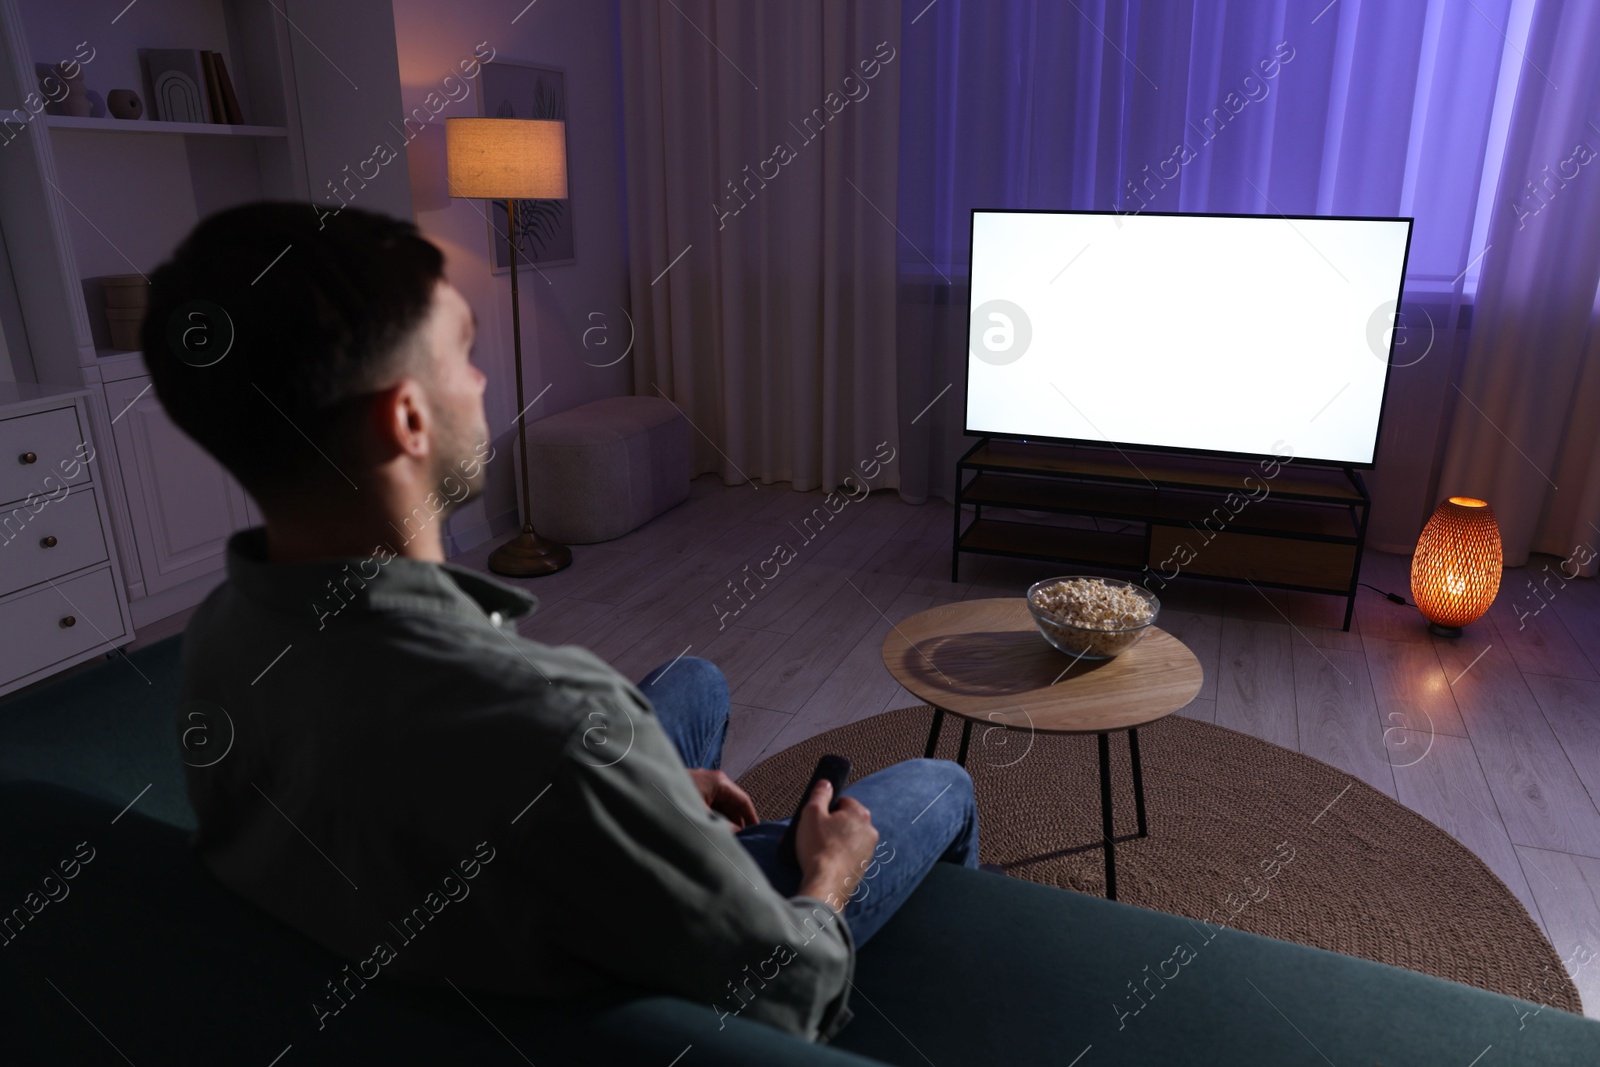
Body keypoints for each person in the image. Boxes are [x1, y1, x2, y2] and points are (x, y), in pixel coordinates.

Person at [144, 202, 979, 1043]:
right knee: (942, 784)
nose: (480, 381)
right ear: (407, 419)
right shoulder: (561, 721)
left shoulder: (219, 632)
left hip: (433, 902)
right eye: (464, 354)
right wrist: (827, 876)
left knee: (695, 680)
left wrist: (638, 796)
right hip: (634, 973)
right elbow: (777, 988)